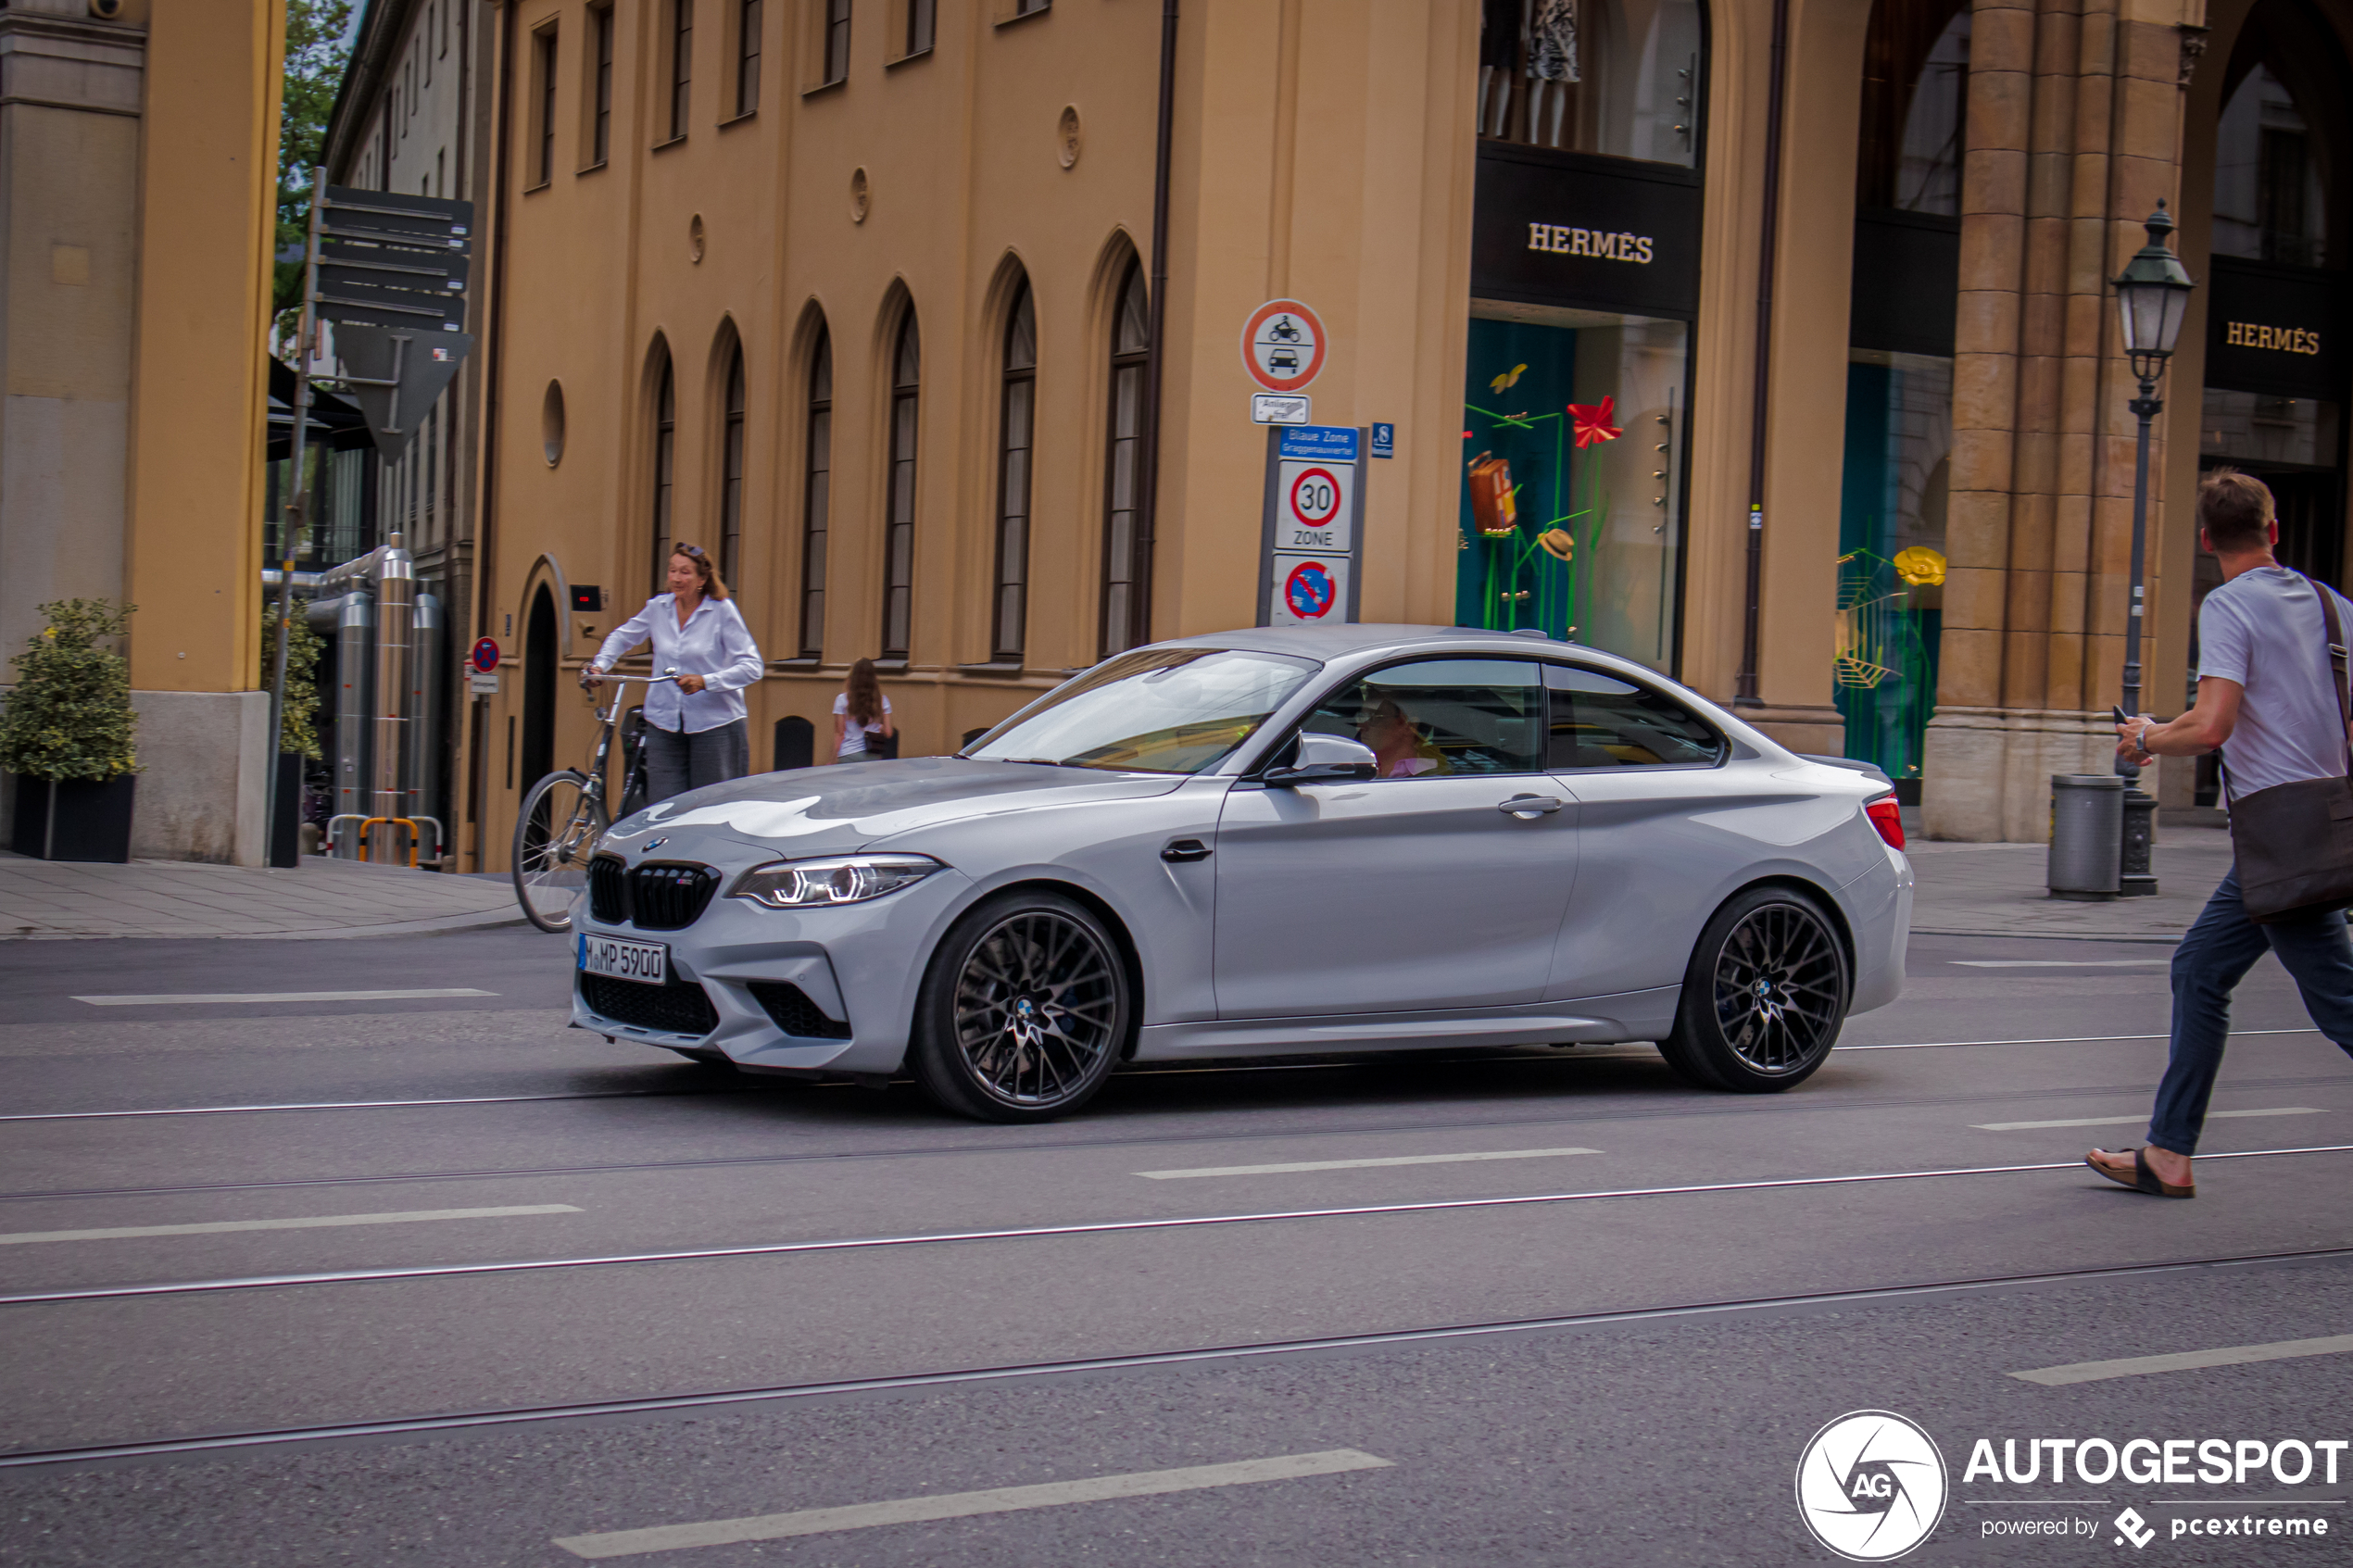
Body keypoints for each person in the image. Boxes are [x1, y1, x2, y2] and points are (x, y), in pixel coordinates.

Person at [2088, 470, 2353, 1198]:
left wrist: (2153, 738)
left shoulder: (2229, 607)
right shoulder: (2336, 609)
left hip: (2279, 839)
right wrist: (2151, 732)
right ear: (2273, 530)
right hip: (2321, 824)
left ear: (2206, 541)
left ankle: (2170, 1152)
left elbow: (2214, 725)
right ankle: (2169, 1151)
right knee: (2200, 968)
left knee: (2341, 1003)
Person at [584, 543, 764, 802]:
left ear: (702, 579)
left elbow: (752, 667)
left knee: (710, 806)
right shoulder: (659, 608)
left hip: (715, 724)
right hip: (663, 722)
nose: (677, 578)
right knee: (664, 806)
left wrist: (706, 681)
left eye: (685, 572)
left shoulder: (721, 611)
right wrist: (600, 665)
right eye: (672, 571)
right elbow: (623, 637)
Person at [1357, 695, 1447, 778]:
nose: (1361, 725)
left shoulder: (1434, 776)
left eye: (1375, 718)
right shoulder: (1357, 766)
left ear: (1408, 725)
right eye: (1362, 716)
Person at [833, 657, 896, 763]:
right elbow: (889, 732)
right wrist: (880, 727)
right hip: (872, 756)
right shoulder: (882, 701)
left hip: (847, 754)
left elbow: (840, 733)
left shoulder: (841, 700)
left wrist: (832, 759)